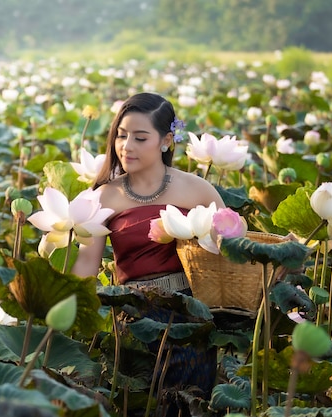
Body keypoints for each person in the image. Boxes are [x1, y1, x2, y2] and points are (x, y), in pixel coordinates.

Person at [70, 92, 225, 412]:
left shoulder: (198, 189)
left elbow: (230, 249)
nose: (127, 146)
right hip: (133, 317)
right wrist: (59, 309)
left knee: (187, 404)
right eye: (121, 136)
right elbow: (86, 265)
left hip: (191, 314)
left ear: (166, 140)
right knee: (139, 404)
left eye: (140, 138)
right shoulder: (104, 196)